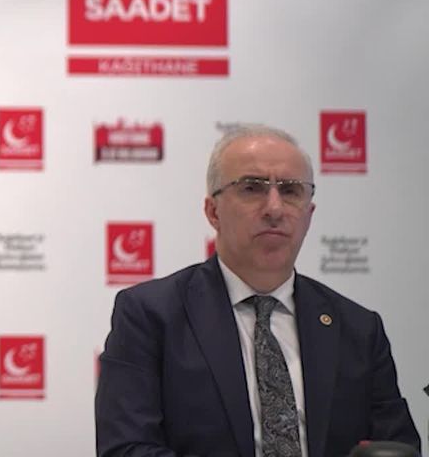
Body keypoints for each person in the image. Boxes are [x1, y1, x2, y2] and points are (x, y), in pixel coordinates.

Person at [95, 125, 421, 457]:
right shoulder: (151, 316)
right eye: (252, 188)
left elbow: (398, 448)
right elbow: (126, 449)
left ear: (309, 214)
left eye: (291, 191)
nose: (275, 208)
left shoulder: (358, 329)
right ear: (213, 211)